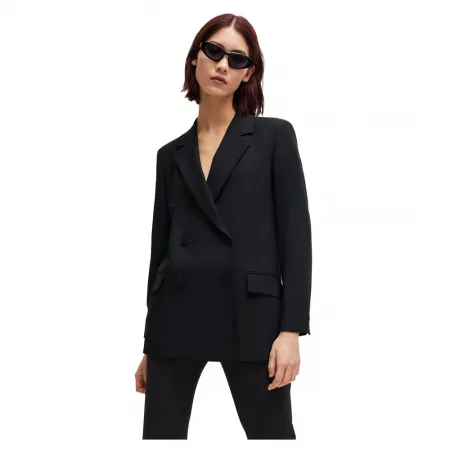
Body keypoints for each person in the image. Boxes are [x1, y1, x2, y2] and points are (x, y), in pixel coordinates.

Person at [135, 13, 312, 439]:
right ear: (195, 58)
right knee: (160, 438)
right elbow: (160, 253)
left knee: (272, 436)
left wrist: (291, 330)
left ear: (248, 73)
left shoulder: (274, 137)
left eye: (237, 59)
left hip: (252, 316)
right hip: (175, 319)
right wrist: (149, 345)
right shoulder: (170, 155)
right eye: (213, 51)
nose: (222, 65)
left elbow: (296, 239)